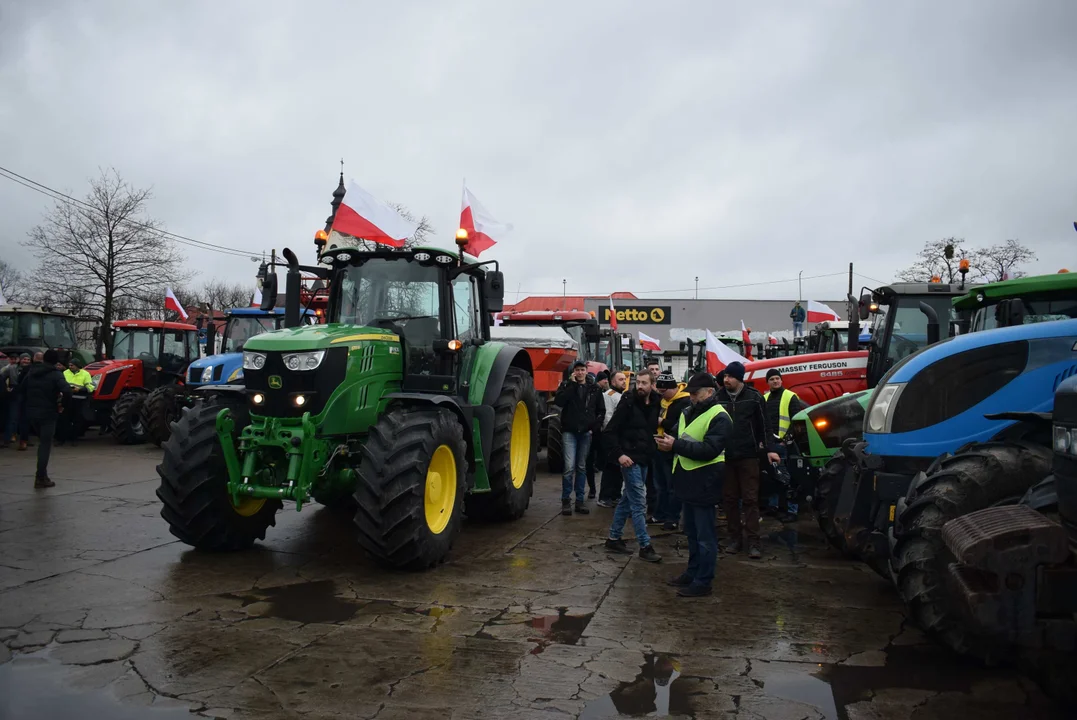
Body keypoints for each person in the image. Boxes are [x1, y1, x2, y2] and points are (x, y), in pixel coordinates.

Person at [656, 372, 732, 597]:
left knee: (705, 536)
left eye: (696, 394)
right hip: (686, 480)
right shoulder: (687, 412)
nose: (692, 398)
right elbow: (679, 437)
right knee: (691, 532)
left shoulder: (720, 416)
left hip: (705, 481)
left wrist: (675, 446)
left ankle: (703, 581)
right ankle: (692, 572)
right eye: (690, 394)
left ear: (710, 392)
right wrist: (665, 443)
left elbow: (710, 450)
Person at [715, 361, 779, 559]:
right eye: (725, 376)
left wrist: (769, 449)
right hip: (726, 456)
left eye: (731, 376)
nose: (726, 380)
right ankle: (735, 539)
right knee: (730, 499)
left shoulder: (754, 398)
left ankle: (754, 542)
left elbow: (765, 426)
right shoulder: (718, 398)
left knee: (750, 499)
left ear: (740, 378)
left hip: (748, 455)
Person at [604, 369, 662, 562]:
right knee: (639, 502)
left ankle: (613, 538)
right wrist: (619, 455)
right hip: (629, 459)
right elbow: (610, 430)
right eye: (638, 382)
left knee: (627, 500)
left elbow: (649, 429)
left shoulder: (655, 402)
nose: (640, 386)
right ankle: (645, 545)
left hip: (645, 457)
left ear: (652, 385)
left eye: (644, 383)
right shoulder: (627, 401)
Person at [555, 360, 605, 516]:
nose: (580, 373)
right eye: (577, 370)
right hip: (569, 432)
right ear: (574, 372)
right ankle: (565, 501)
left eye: (582, 370)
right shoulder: (566, 386)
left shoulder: (594, 389)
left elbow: (601, 411)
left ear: (586, 371)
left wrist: (593, 428)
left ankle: (579, 501)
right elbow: (559, 402)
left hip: (585, 433)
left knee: (582, 467)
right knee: (569, 467)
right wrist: (571, 386)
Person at [16, 349, 71, 487]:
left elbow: (21, 389)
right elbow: (67, 390)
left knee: (42, 442)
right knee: (45, 445)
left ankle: (43, 475)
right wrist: (62, 404)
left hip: (31, 413)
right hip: (48, 413)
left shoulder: (31, 372)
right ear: (55, 361)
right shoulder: (55, 374)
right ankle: (40, 477)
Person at [763, 369, 808, 523]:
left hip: (785, 445)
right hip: (771, 445)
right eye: (772, 379)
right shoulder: (765, 398)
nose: (775, 381)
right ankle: (774, 506)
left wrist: (786, 440)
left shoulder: (790, 396)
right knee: (773, 477)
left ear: (781, 381)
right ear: (767, 382)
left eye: (777, 378)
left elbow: (796, 421)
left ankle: (791, 510)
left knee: (788, 478)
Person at [654, 373, 691, 530]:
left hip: (673, 448)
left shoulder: (684, 402)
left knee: (672, 486)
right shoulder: (662, 400)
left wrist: (663, 422)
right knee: (660, 485)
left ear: (672, 388)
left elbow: (682, 426)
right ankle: (659, 514)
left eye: (663, 392)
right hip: (658, 446)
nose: (661, 395)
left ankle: (672, 517)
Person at [596, 370, 627, 508]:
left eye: (624, 379)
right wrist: (609, 435)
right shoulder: (609, 395)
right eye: (620, 379)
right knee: (610, 467)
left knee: (617, 467)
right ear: (613, 382)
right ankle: (605, 497)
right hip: (610, 437)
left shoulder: (620, 396)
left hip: (618, 436)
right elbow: (608, 417)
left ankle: (615, 495)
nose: (624, 381)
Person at [59, 358, 95, 446]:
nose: (70, 367)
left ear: (77, 366)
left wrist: (80, 389)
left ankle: (74, 439)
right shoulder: (65, 373)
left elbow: (90, 387)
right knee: (64, 420)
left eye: (72, 365)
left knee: (77, 421)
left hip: (80, 400)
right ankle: (62, 439)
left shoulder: (85, 374)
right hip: (67, 399)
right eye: (69, 365)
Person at [6, 353, 33, 450]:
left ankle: (24, 439)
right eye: (24, 359)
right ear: (20, 360)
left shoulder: (32, 370)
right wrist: (7, 388)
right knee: (14, 416)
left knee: (25, 418)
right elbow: (2, 375)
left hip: (27, 395)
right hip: (15, 393)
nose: (25, 361)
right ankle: (11, 435)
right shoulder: (12, 368)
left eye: (28, 359)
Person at [1, 354, 20, 448]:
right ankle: (9, 436)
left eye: (14, 359)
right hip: (11, 394)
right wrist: (6, 389)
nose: (13, 360)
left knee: (14, 416)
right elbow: (2, 378)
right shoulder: (7, 368)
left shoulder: (18, 368)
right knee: (11, 416)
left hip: (15, 393)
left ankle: (12, 435)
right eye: (11, 359)